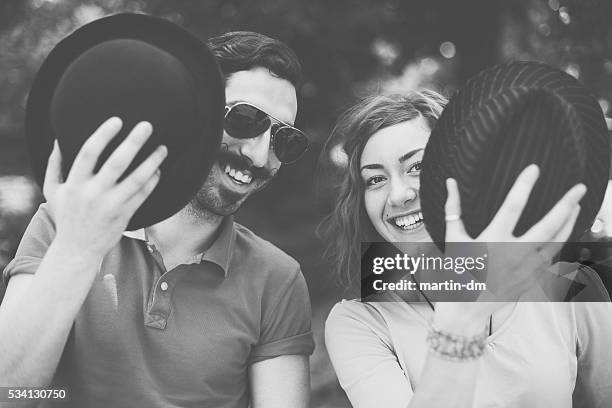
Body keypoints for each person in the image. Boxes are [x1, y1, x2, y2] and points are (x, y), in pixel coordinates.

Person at [0, 31, 313, 407]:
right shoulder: (63, 223)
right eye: (246, 119)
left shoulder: (277, 279)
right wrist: (77, 248)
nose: (260, 156)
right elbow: (10, 395)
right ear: (196, 110)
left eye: (284, 140)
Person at [321, 92, 612, 407]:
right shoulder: (359, 322)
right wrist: (462, 317)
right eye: (375, 179)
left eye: (417, 166)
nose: (398, 194)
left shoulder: (570, 285)